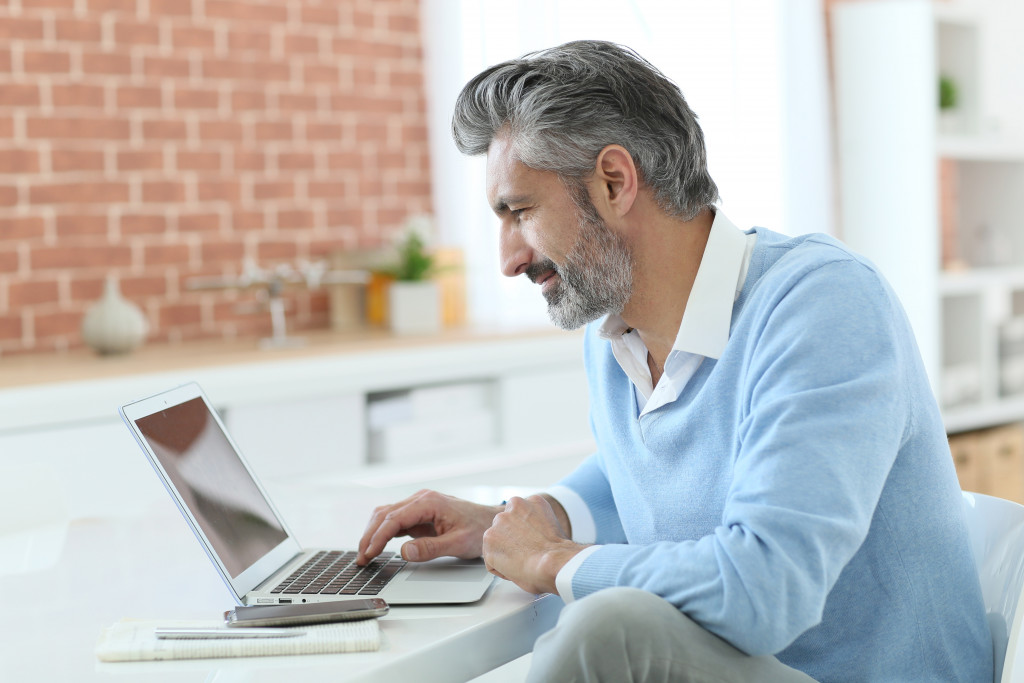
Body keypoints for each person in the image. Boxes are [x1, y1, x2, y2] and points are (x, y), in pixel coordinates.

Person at [356, 40, 993, 682]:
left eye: (520, 212)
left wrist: (552, 561)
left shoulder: (823, 304)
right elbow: (640, 472)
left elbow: (764, 591)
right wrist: (520, 523)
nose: (508, 259)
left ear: (614, 181)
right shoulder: (614, 331)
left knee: (609, 630)